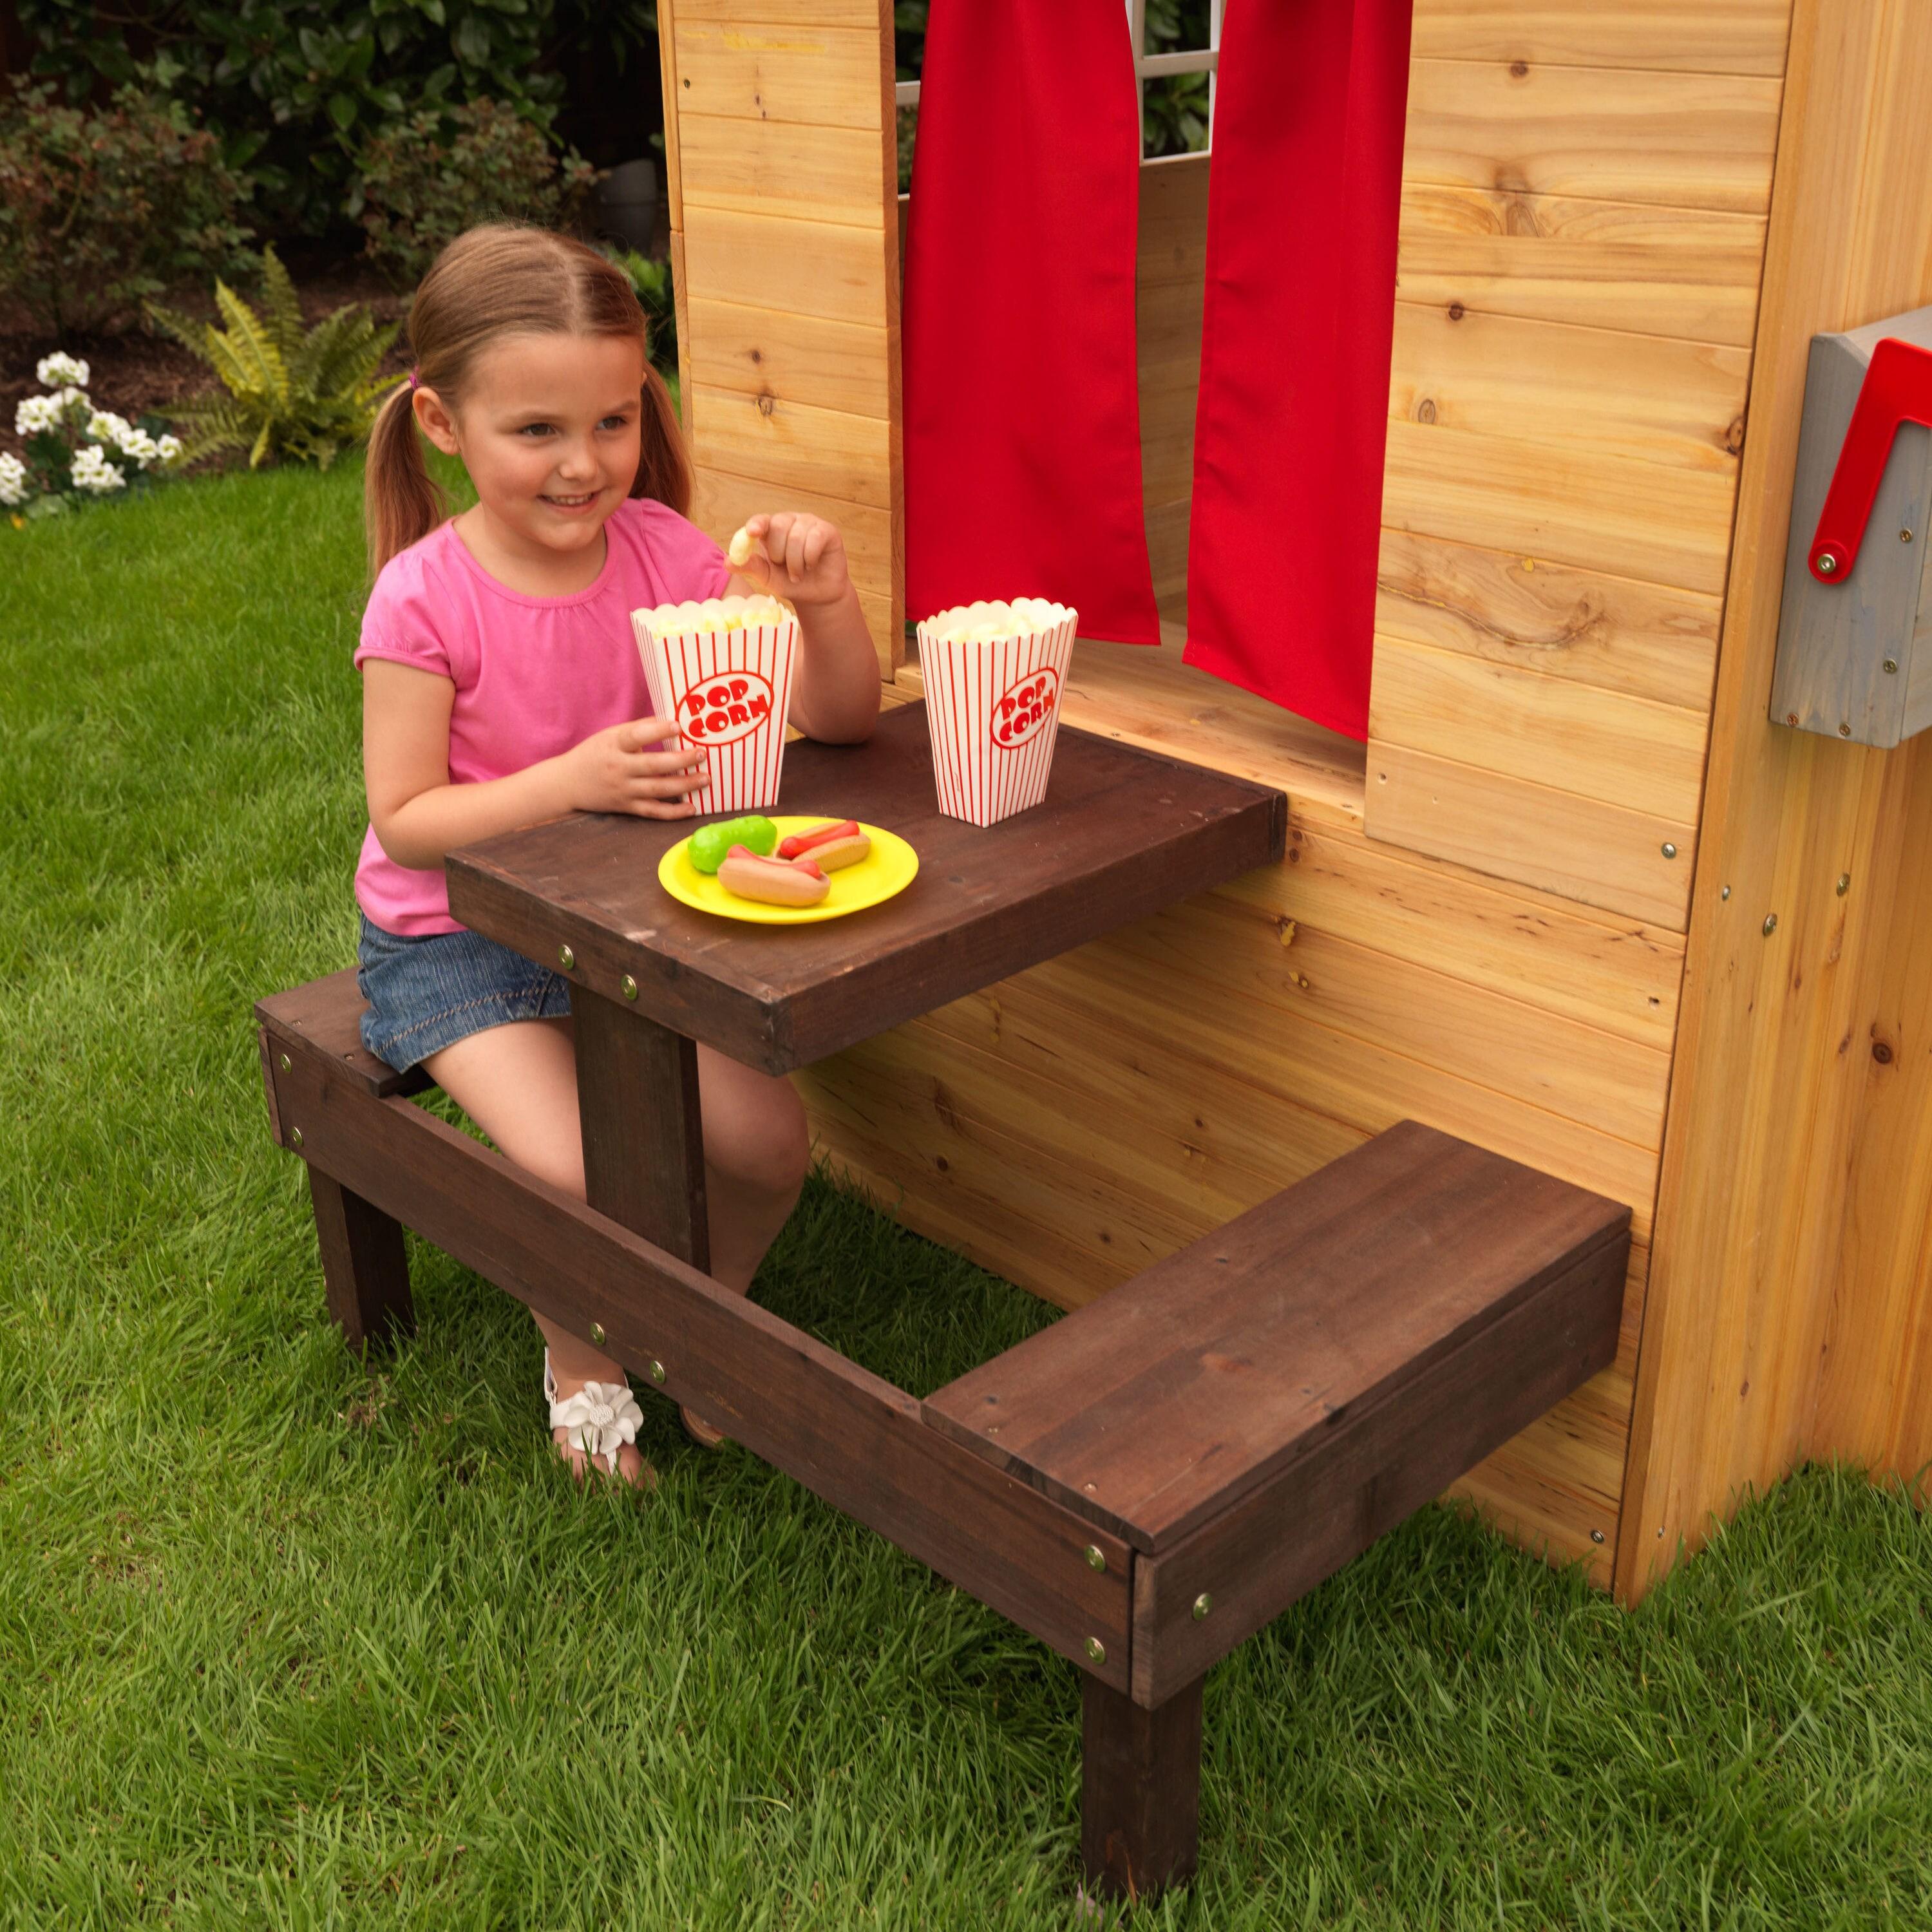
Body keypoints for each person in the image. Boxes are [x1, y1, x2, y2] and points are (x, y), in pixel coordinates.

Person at [355, 223, 880, 1486]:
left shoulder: (667, 557)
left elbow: (845, 721)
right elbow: (406, 816)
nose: (583, 464)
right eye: (536, 431)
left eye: (612, 422)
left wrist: (823, 606)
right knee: (575, 1168)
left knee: (764, 1143)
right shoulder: (425, 599)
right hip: (458, 945)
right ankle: (586, 1370)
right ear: (442, 423)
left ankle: (694, 1323)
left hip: (638, 931)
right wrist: (566, 783)